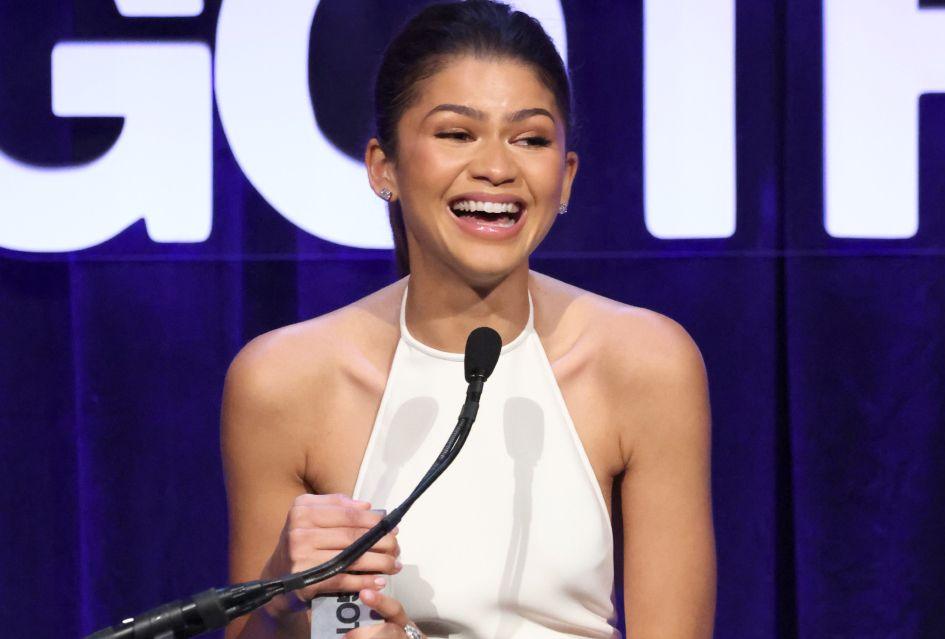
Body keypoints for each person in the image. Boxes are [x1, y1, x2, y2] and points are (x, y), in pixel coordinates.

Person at [220, 2, 715, 637]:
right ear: (384, 166)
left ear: (565, 177)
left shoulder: (645, 362)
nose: (497, 167)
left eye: (530, 138)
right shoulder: (284, 380)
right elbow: (266, 635)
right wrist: (287, 601)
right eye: (457, 134)